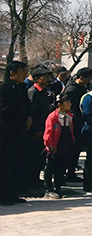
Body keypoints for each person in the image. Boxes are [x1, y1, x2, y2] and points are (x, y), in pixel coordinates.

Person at [0, 61, 33, 205]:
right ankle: (4, 196)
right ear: (12, 74)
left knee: (16, 163)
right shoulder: (3, 89)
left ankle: (13, 193)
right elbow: (4, 111)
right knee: (5, 165)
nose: (25, 74)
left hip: (19, 132)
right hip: (6, 132)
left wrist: (28, 117)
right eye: (22, 71)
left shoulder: (21, 88)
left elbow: (27, 105)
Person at [63, 67, 92, 183]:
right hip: (73, 123)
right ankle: (67, 172)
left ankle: (71, 171)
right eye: (87, 79)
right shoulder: (71, 90)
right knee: (71, 148)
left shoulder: (84, 88)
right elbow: (70, 109)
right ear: (81, 78)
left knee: (77, 149)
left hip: (80, 122)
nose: (89, 81)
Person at [26, 65, 53, 191]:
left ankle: (36, 179)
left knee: (41, 157)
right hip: (37, 130)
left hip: (45, 128)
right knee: (33, 156)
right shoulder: (33, 92)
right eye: (44, 76)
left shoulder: (44, 92)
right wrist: (37, 129)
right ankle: (31, 180)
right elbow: (33, 112)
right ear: (37, 79)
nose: (47, 79)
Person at [43, 94, 74, 199]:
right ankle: (48, 189)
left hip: (65, 145)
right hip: (55, 146)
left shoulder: (69, 116)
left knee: (61, 167)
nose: (69, 104)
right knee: (51, 167)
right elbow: (48, 132)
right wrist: (49, 145)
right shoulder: (53, 117)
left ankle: (58, 187)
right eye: (67, 102)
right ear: (59, 104)